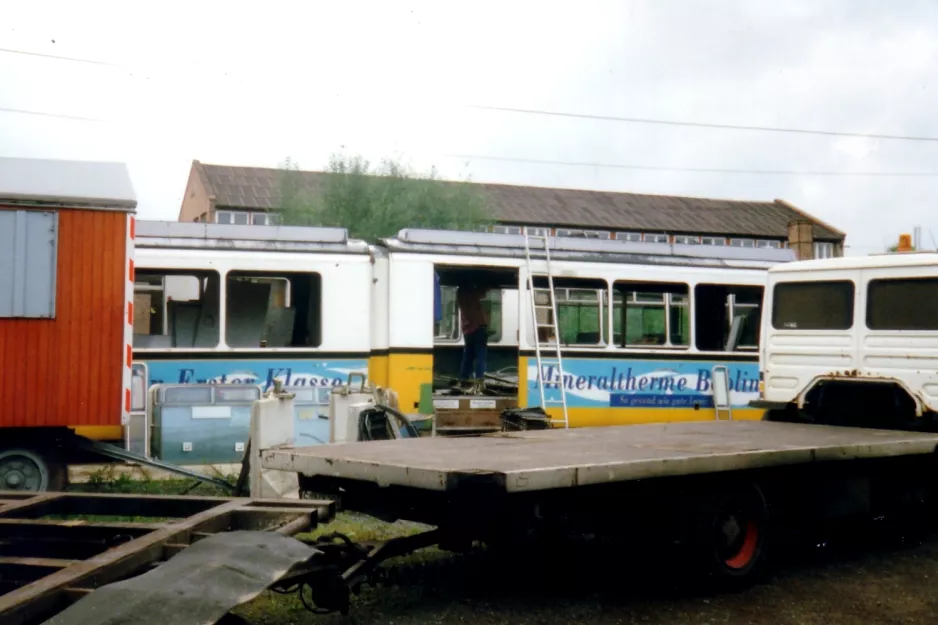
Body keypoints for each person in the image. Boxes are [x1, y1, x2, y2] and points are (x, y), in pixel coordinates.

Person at [456, 282, 489, 381]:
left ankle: (463, 378)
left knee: (468, 357)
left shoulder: (460, 293)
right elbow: (482, 294)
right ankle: (479, 379)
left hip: (467, 330)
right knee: (480, 357)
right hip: (477, 328)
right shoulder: (471, 292)